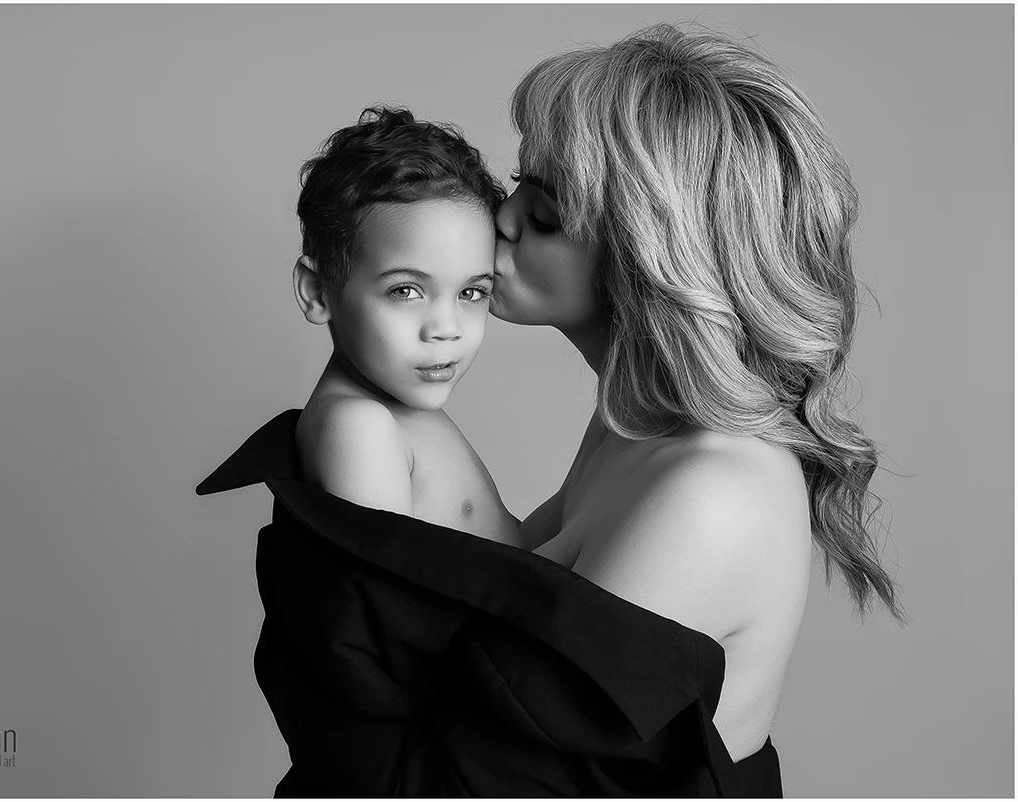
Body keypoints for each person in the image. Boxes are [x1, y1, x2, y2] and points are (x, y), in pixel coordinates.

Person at [492, 20, 905, 763]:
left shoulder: (707, 490)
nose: (504, 217)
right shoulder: (638, 424)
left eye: (546, 211)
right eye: (518, 182)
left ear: (654, 251)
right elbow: (494, 578)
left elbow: (506, 766)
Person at [289, 106, 520, 548]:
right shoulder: (359, 426)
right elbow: (395, 611)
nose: (446, 328)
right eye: (406, 291)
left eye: (471, 293)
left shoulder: (392, 405)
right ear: (318, 291)